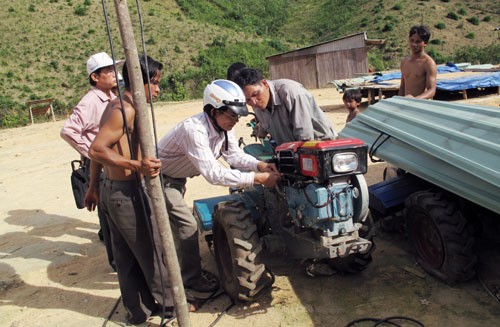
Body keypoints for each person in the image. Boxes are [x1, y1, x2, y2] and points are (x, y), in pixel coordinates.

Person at [157, 79, 281, 293]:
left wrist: (260, 164)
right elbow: (213, 174)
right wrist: (258, 178)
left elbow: (233, 155)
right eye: (231, 115)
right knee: (187, 225)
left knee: (175, 224)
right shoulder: (194, 130)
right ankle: (191, 279)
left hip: (177, 178)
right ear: (213, 111)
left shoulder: (223, 128)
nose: (235, 120)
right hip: (161, 178)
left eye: (237, 115)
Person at [85, 55, 178, 324]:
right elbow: (97, 149)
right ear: (140, 82)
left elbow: (97, 153)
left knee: (126, 259)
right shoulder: (124, 110)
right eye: (156, 83)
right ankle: (172, 305)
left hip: (112, 190)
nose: (159, 89)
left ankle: (138, 311)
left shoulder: (116, 105)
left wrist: (94, 187)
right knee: (150, 251)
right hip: (126, 192)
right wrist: (137, 164)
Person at [60, 51, 122, 271]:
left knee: (114, 214)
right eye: (108, 71)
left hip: (108, 163)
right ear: (95, 77)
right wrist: (93, 153)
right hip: (101, 166)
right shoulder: (91, 101)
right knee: (110, 217)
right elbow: (68, 131)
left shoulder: (110, 98)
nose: (114, 74)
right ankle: (118, 264)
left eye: (115, 70)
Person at [232, 68, 337, 146]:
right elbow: (265, 125)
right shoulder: (256, 104)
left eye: (255, 94)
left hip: (319, 146)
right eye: (248, 100)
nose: (254, 102)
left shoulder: (291, 94)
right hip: (290, 149)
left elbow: (305, 137)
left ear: (264, 83)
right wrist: (261, 131)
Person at [399, 25, 437, 99]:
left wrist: (415, 100)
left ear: (425, 43)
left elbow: (431, 90)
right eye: (412, 40)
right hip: (407, 105)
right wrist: (400, 102)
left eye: (418, 42)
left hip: (421, 106)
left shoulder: (428, 63)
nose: (414, 44)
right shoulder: (404, 62)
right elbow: (402, 87)